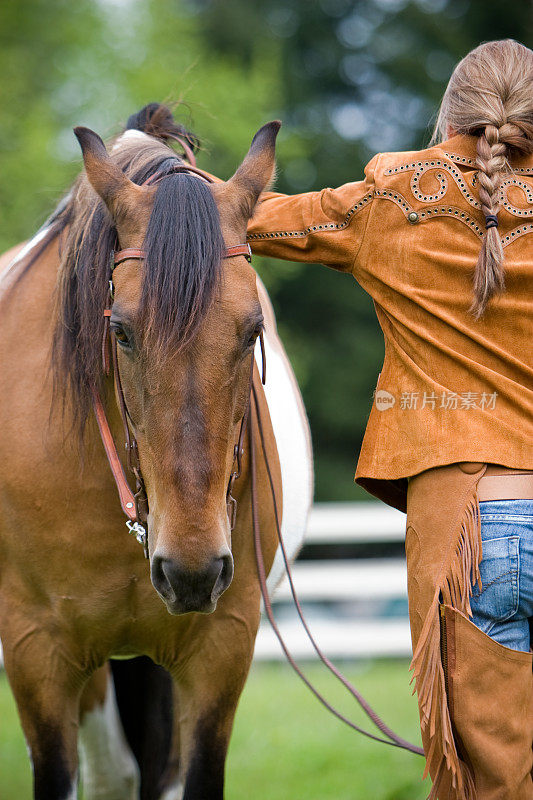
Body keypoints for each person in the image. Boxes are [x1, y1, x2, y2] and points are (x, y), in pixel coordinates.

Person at [246, 39, 533, 799]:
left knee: (489, 778)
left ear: (452, 111)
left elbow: (249, 217)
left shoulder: (391, 199)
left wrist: (162, 172)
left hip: (475, 534)